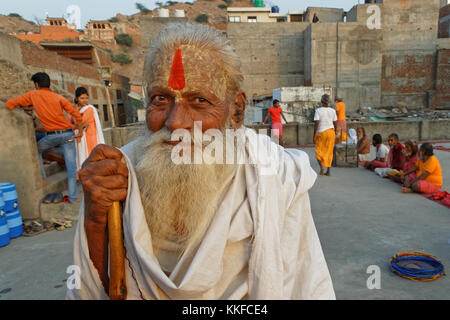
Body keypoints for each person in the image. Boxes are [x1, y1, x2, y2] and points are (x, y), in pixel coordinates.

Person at [67, 23, 335, 300]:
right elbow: (93, 289)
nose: (175, 122)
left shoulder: (275, 174)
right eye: (161, 98)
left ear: (236, 112)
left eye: (199, 100)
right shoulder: (118, 172)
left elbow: (303, 285)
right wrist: (96, 220)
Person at [5, 72, 86, 203]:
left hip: (51, 136)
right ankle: (72, 198)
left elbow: (9, 104)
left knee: (36, 151)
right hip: (68, 135)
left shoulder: (32, 95)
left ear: (36, 84)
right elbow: (77, 114)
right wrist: (80, 131)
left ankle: (42, 178)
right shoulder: (59, 97)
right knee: (71, 168)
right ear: (49, 83)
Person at [71, 87, 105, 171]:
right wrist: (80, 125)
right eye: (82, 98)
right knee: (84, 156)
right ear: (76, 98)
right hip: (82, 137)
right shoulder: (75, 109)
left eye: (86, 98)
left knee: (91, 156)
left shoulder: (89, 109)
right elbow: (73, 122)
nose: (85, 100)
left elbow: (78, 121)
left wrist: (80, 125)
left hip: (91, 137)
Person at [313, 94, 337, 176]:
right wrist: (336, 132)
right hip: (331, 132)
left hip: (322, 132)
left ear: (321, 101)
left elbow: (316, 123)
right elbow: (335, 122)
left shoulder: (318, 110)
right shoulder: (333, 111)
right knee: (329, 152)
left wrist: (314, 135)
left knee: (318, 152)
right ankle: (328, 171)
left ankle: (322, 168)